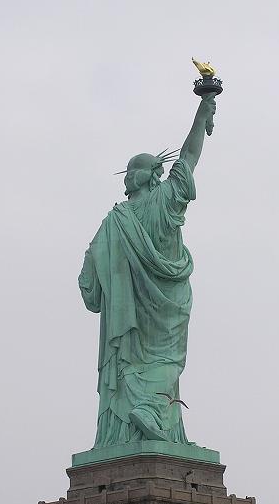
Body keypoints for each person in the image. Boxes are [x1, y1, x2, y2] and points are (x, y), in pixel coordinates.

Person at [79, 94, 216, 446]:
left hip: (132, 317)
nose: (126, 176)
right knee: (167, 360)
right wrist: (203, 112)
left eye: (131, 170)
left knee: (132, 360)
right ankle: (152, 413)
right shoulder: (159, 203)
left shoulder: (114, 222)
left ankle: (136, 420)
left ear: (143, 177)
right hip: (168, 304)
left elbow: (90, 285)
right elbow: (189, 157)